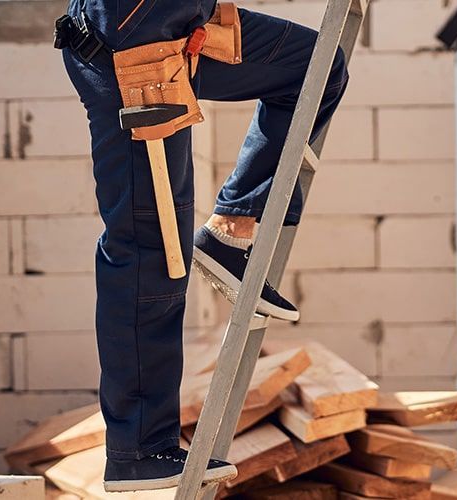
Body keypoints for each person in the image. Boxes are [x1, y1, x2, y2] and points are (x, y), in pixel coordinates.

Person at [57, 0, 348, 491]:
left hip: (180, 20)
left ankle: (233, 228)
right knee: (148, 254)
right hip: (133, 48)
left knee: (314, 66)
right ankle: (139, 449)